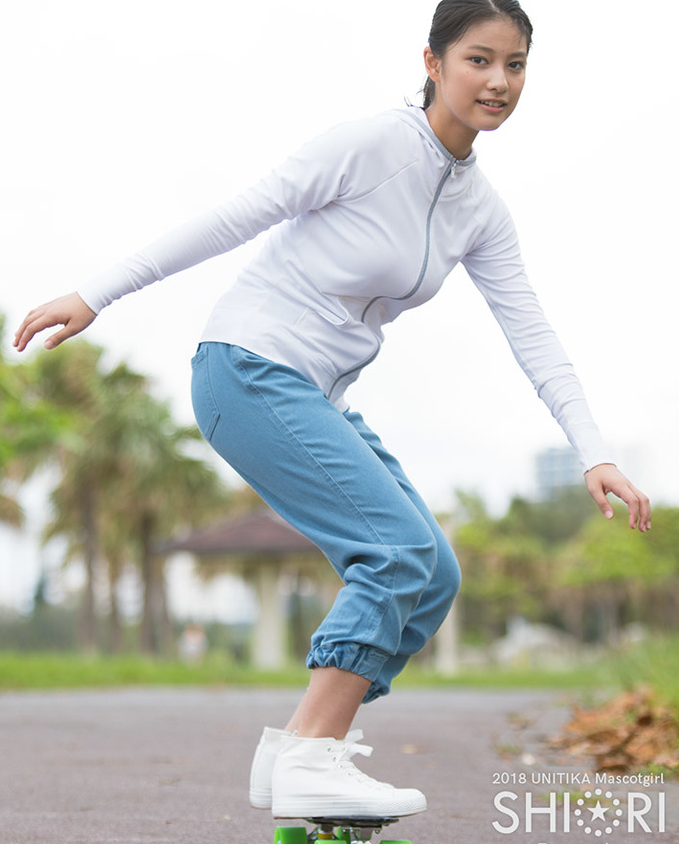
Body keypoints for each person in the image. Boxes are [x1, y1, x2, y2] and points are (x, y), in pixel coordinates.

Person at [14, 0, 651, 822]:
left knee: (432, 576)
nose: (498, 81)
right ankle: (314, 754)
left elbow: (531, 331)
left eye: (515, 65)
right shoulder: (372, 143)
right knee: (392, 550)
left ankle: (296, 749)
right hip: (247, 367)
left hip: (311, 393)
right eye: (478, 60)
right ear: (431, 62)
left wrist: (592, 450)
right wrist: (96, 293)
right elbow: (235, 215)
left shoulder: (479, 210)